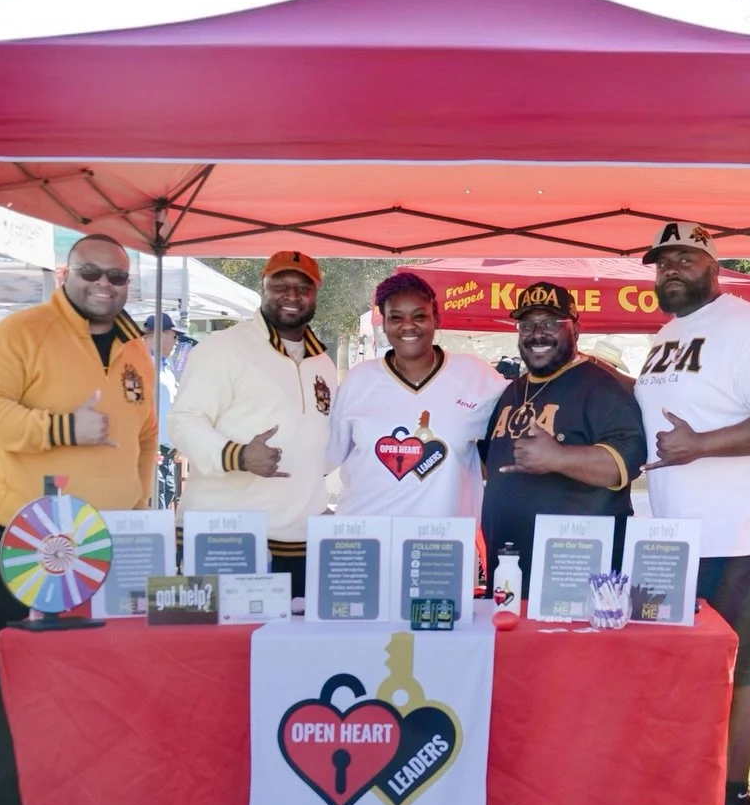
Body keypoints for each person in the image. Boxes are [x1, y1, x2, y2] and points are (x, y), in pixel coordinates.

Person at [0, 233, 157, 805]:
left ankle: (89, 802)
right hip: (34, 540)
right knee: (24, 674)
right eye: (92, 272)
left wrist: (139, 508)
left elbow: (145, 436)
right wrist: (63, 427)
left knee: (107, 675)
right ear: (64, 272)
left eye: (118, 277)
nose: (105, 285)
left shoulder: (133, 347)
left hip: (115, 542)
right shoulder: (24, 332)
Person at [634, 222, 750, 805]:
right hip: (674, 537)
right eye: (662, 262)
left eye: (685, 258)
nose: (671, 270)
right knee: (682, 665)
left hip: (744, 530)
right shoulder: (665, 336)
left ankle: (735, 798)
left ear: (713, 264)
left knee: (739, 668)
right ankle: (690, 782)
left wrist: (701, 446)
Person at [169, 250, 337, 598]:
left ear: (315, 293)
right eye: (281, 286)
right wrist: (239, 455)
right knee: (222, 651)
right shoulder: (223, 348)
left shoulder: (321, 361)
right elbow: (183, 421)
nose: (292, 296)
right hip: (228, 537)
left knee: (293, 652)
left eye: (303, 288)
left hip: (301, 539)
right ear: (263, 287)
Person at [480, 282, 646, 584]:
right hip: (508, 572)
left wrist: (557, 458)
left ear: (576, 330)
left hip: (573, 575)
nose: (537, 334)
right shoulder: (512, 391)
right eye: (527, 325)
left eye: (550, 323)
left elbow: (626, 462)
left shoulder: (601, 387)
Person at [328, 272, 507, 517]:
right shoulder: (359, 380)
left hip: (443, 544)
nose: (408, 325)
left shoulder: (474, 374)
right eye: (396, 317)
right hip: (365, 540)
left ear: (436, 318)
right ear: (385, 323)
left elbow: (522, 410)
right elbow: (328, 456)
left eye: (419, 316)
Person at [144, 313, 181, 507]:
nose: (176, 342)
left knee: (165, 503)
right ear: (161, 335)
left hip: (167, 454)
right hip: (151, 452)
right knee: (155, 509)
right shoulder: (142, 366)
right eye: (174, 336)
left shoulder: (166, 369)